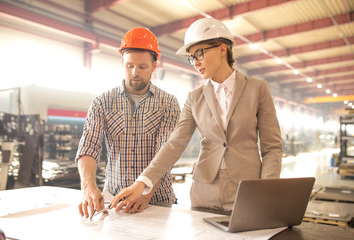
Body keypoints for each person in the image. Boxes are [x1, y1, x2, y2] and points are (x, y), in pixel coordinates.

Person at [110, 18, 282, 212]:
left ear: (222, 48)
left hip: (247, 190)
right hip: (204, 191)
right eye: (192, 57)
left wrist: (267, 189)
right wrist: (142, 183)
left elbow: (272, 148)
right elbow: (175, 143)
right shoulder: (195, 97)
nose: (196, 63)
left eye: (200, 53)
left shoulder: (257, 89)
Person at [76, 27, 181, 218]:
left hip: (157, 200)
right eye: (129, 65)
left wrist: (145, 193)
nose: (135, 73)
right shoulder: (102, 102)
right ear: (122, 62)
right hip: (114, 200)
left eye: (142, 67)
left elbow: (165, 154)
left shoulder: (168, 104)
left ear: (154, 66)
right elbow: (88, 147)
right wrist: (88, 187)